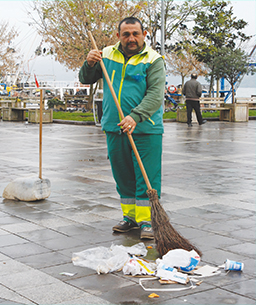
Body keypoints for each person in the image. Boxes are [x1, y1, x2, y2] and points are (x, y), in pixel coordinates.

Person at [79, 17, 166, 239]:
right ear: (118, 36)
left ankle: (147, 221)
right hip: (114, 126)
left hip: (146, 128)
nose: (131, 38)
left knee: (147, 176)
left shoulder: (153, 60)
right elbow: (86, 78)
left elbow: (155, 95)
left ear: (144, 34)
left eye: (135, 33)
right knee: (123, 175)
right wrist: (89, 63)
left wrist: (135, 116)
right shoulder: (106, 55)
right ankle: (130, 219)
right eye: (126, 34)